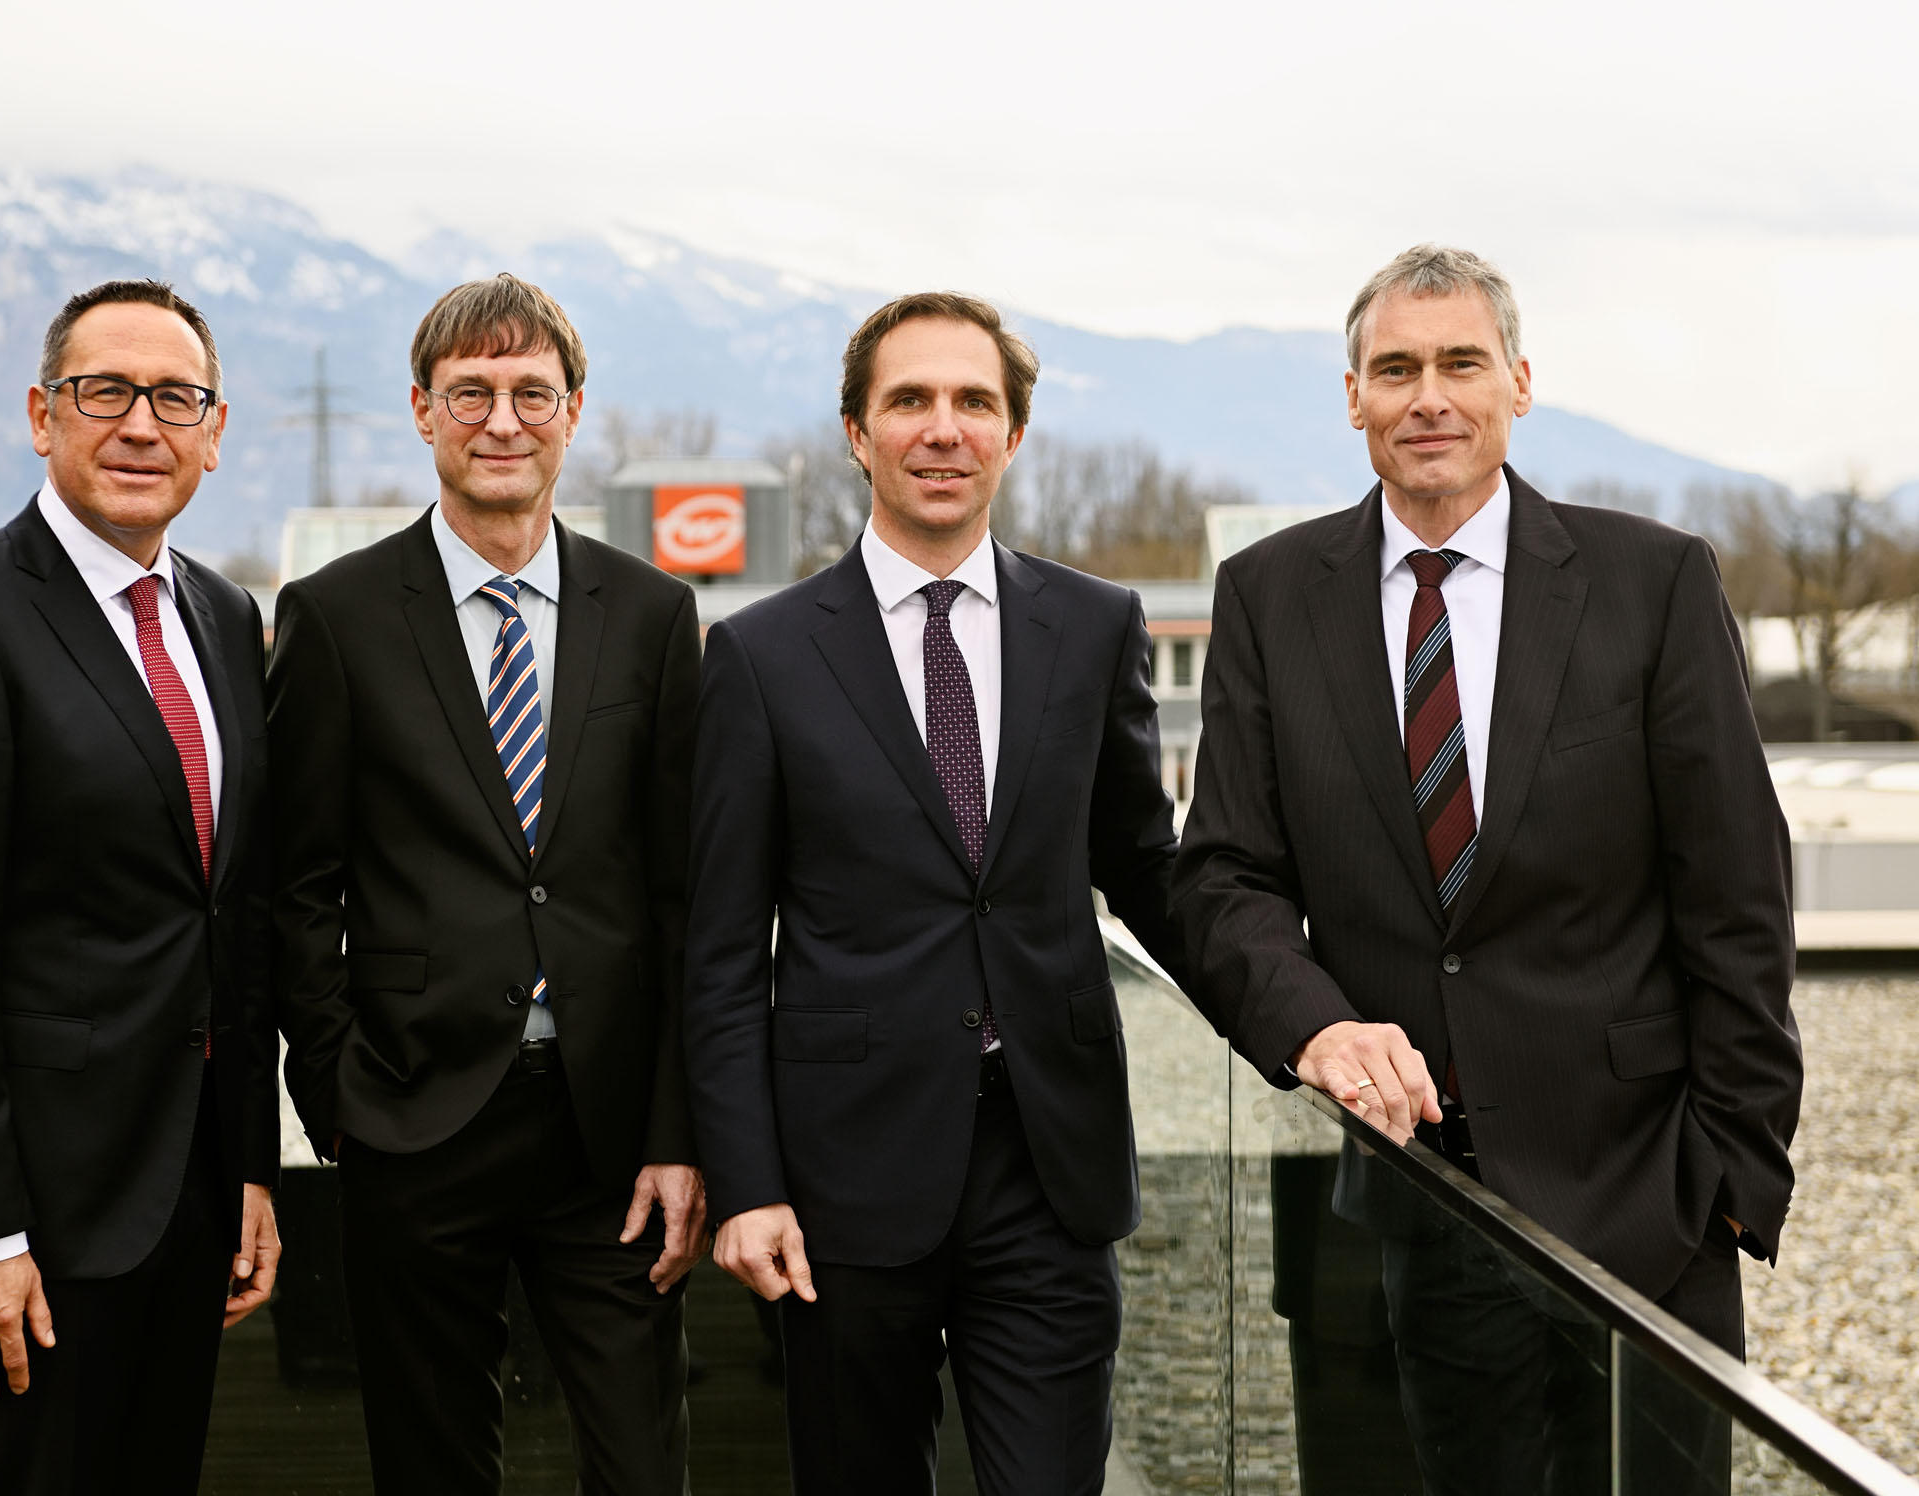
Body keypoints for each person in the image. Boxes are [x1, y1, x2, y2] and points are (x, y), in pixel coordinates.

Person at [1170, 244, 1802, 1492]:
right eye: (1394, 368)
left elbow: (1737, 893)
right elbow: (1222, 877)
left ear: (1519, 380)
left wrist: (1735, 1172)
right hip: (1388, 1203)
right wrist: (1321, 1027)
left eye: (1461, 362)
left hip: (1644, 1205)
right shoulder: (1268, 594)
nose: (1430, 397)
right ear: (1351, 395)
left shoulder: (1652, 581)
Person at [685, 291, 1183, 1495]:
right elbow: (715, 950)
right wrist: (747, 1185)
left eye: (974, 401)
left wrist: (1309, 1019)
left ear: (1015, 433)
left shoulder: (1097, 624)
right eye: (909, 399)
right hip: (843, 1180)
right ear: (856, 432)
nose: (943, 427)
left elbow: (1152, 874)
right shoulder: (761, 655)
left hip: (1049, 1165)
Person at [269, 273, 703, 1495]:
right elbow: (295, 885)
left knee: (640, 1459)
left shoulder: (656, 614)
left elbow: (683, 896)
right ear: (421, 409)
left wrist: (679, 1128)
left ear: (574, 411)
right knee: (431, 1463)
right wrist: (339, 1089)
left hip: (610, 1129)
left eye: (530, 392)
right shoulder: (336, 616)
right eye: (471, 392)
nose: (501, 419)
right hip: (412, 1117)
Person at [0, 279, 282, 1495]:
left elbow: (232, 917)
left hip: (188, 1204)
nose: (141, 424)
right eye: (107, 391)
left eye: (175, 396)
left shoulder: (222, 614)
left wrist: (249, 1163)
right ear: (44, 415)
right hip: (33, 1227)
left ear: (214, 430)